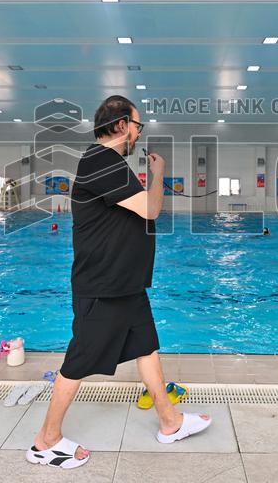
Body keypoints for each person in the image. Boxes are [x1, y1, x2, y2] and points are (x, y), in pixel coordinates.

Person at [28, 95, 210, 470]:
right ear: (120, 125)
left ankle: (170, 421)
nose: (139, 134)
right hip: (104, 286)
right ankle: (45, 441)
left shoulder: (108, 164)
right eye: (138, 126)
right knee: (78, 361)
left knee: (147, 347)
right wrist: (159, 174)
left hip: (124, 284)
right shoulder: (101, 161)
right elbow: (151, 209)